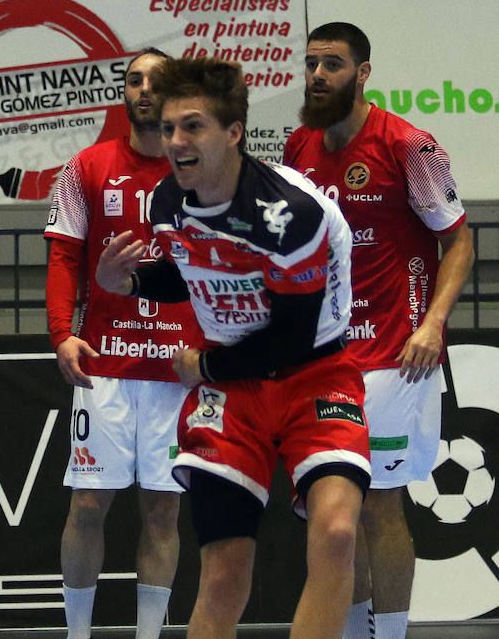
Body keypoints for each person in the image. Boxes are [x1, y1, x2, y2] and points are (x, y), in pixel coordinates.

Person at [94, 56, 369, 639]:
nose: (175, 141)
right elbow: (186, 273)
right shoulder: (170, 201)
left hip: (315, 372)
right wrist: (131, 281)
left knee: (339, 534)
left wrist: (205, 364)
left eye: (192, 126)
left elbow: (292, 337)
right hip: (234, 387)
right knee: (222, 574)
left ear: (233, 133)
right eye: (169, 128)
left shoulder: (290, 215)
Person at [283, 22, 473, 639]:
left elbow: (459, 239)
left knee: (382, 507)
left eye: (332, 64)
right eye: (311, 63)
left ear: (363, 74)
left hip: (395, 356)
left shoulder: (406, 145)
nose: (317, 75)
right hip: (325, 359)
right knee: (338, 511)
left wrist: (433, 324)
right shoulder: (298, 147)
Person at [44, 49, 201, 639]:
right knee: (88, 505)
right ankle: (78, 635)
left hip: (177, 370)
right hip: (104, 365)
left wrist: (212, 349)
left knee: (163, 510)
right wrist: (63, 335)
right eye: (133, 80)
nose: (143, 89)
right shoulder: (86, 166)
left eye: (155, 81)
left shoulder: (202, 169)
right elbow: (62, 256)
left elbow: (227, 265)